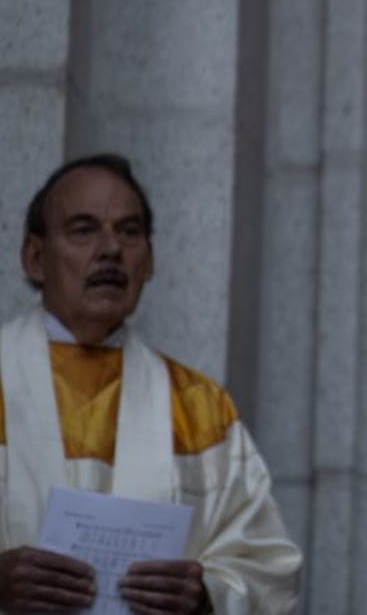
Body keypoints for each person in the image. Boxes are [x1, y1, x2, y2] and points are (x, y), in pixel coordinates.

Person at [0, 154, 301, 614]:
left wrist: (206, 596)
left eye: (129, 231)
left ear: (151, 260)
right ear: (35, 257)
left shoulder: (199, 408)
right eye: (84, 230)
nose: (111, 250)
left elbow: (266, 566)